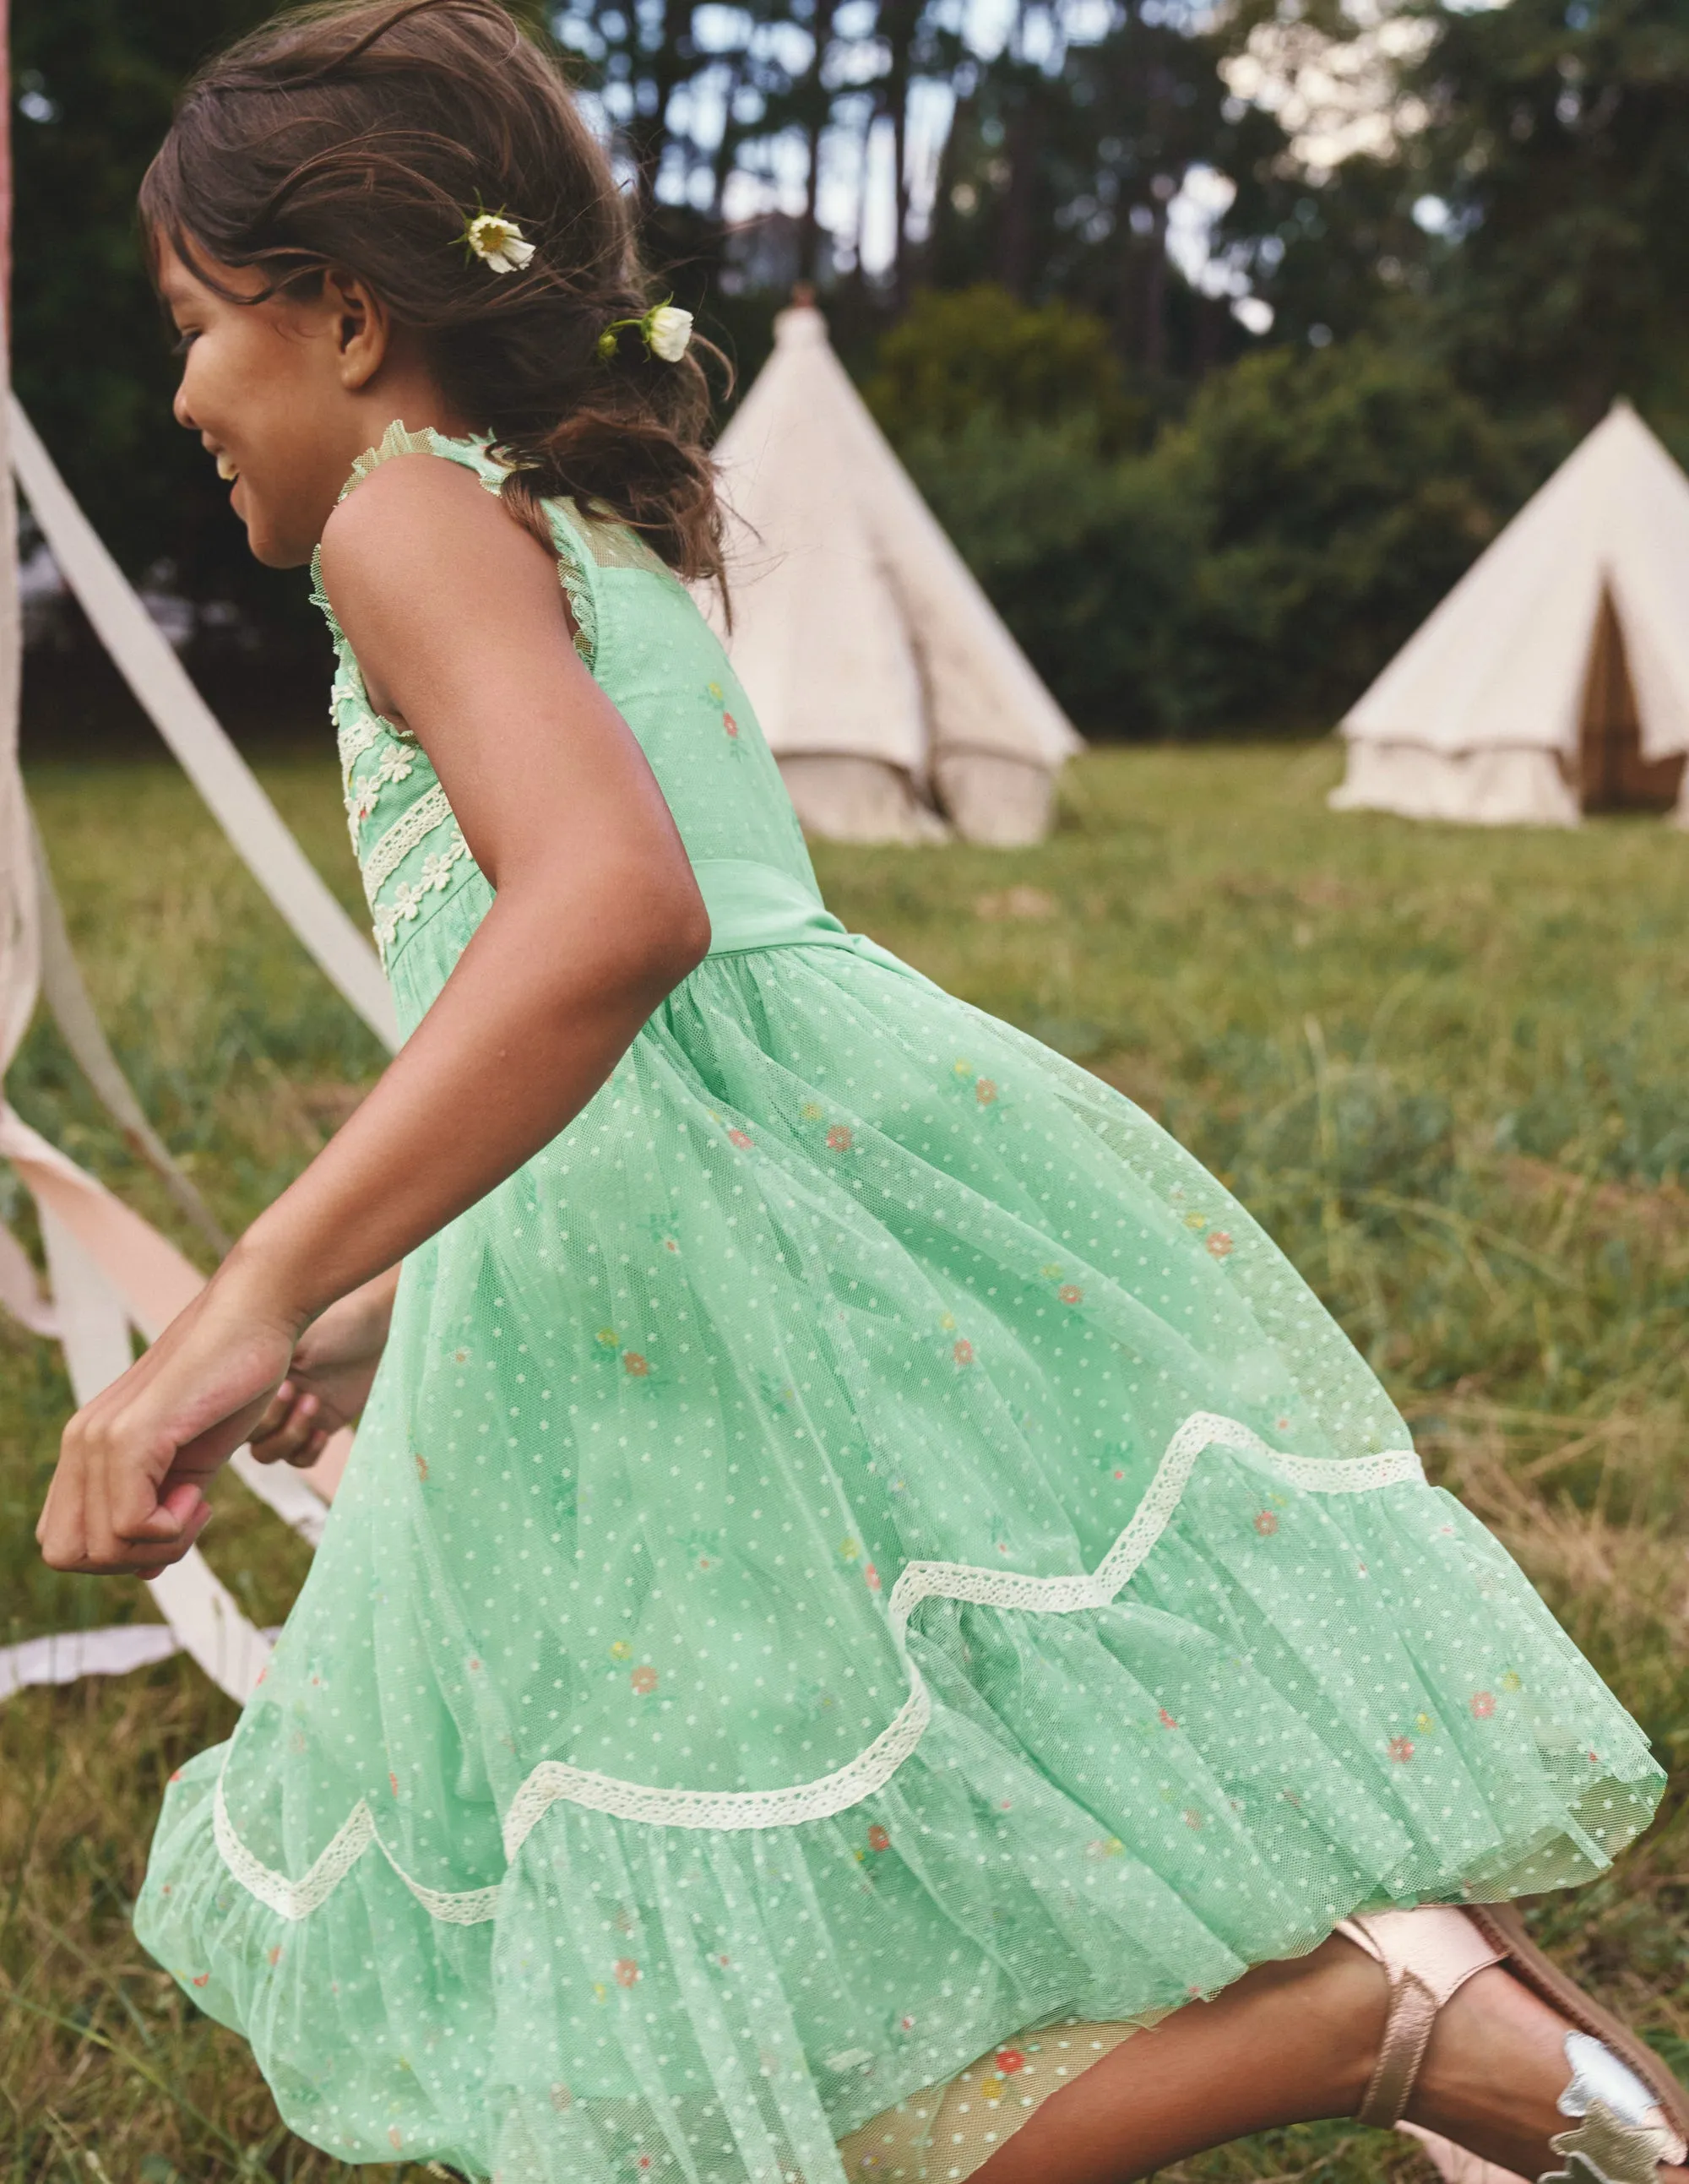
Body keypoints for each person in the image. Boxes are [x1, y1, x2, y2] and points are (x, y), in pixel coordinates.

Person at [35, 5, 1685, 2181]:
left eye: (193, 327)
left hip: (699, 1330)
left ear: (347, 317)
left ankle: (1374, 2017)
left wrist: (247, 1293)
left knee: (716, 2077)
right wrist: (368, 1317)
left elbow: (614, 921)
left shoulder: (404, 524)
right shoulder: (580, 535)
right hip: (731, 1275)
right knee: (801, 2006)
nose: (174, 396)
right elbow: (627, 1044)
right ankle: (1403, 2007)